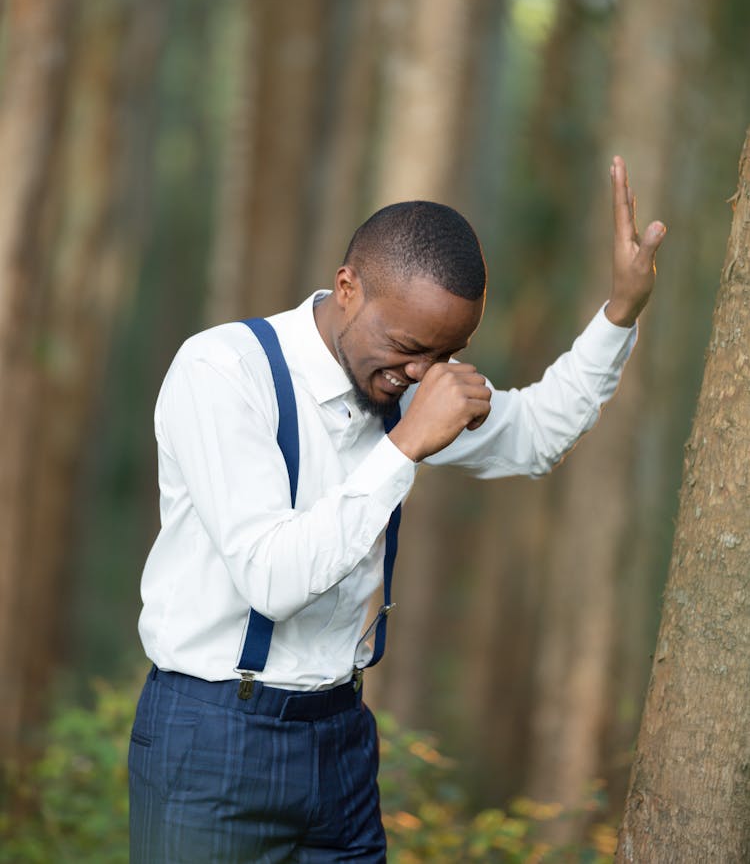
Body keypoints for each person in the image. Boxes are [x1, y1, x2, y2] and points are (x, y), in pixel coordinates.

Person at [129, 156, 665, 863]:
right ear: (347, 288)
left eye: (447, 354)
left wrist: (620, 310)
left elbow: (535, 434)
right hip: (214, 736)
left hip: (341, 737)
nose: (420, 374)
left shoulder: (399, 388)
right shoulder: (225, 373)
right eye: (410, 347)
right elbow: (270, 576)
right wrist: (409, 442)